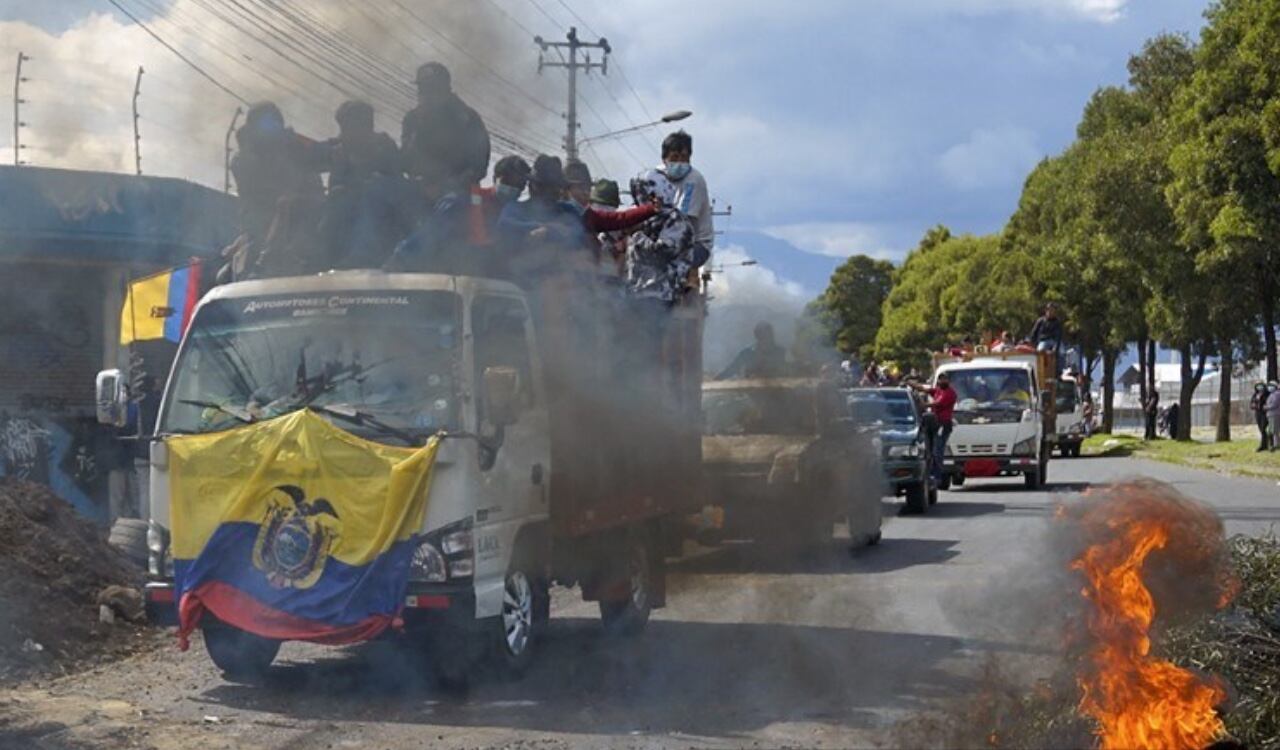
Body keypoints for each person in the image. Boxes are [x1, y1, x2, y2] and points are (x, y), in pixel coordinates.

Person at [228, 101, 328, 279]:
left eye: (274, 124)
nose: (270, 131)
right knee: (227, 275)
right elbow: (254, 199)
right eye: (264, 125)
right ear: (252, 130)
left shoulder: (296, 149)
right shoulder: (243, 160)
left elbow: (317, 180)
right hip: (261, 228)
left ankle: (269, 260)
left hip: (303, 220)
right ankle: (266, 260)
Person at [323, 100, 411, 269]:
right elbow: (335, 188)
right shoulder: (340, 153)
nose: (344, 134)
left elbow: (396, 185)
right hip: (348, 212)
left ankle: (363, 254)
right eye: (343, 128)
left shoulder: (384, 147)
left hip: (384, 218)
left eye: (349, 127)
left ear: (366, 126)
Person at [401, 62, 491, 205]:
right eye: (422, 89)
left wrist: (449, 185)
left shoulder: (466, 118)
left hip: (460, 194)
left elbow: (479, 164)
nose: (425, 94)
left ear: (445, 89)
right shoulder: (413, 118)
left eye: (431, 88)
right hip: (420, 191)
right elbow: (406, 159)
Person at [657, 130, 713, 267]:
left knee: (664, 263)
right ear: (664, 159)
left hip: (695, 245)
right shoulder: (656, 176)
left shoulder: (694, 180)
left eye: (684, 158)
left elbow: (683, 222)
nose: (680, 162)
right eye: (674, 157)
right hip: (664, 237)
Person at [908, 372, 957, 484]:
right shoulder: (939, 390)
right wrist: (913, 385)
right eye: (941, 379)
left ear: (948, 381)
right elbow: (925, 389)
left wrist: (923, 404)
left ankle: (937, 476)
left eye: (945, 379)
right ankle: (931, 473)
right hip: (935, 423)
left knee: (937, 450)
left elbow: (936, 404)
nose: (943, 381)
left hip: (944, 424)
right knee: (929, 450)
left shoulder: (950, 393)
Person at [717, 322, 788, 380]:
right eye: (763, 335)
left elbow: (789, 371)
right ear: (757, 336)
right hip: (751, 391)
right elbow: (732, 369)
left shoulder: (781, 352)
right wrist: (715, 381)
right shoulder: (747, 353)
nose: (767, 338)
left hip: (778, 391)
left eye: (769, 334)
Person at [1250, 382, 1270, 451]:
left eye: (1261, 385)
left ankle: (1264, 445)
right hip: (1257, 413)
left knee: (1263, 428)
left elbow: (1267, 402)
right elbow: (1251, 403)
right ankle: (1264, 445)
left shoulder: (1267, 394)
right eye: (1258, 386)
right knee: (1261, 429)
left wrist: (1265, 406)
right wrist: (1253, 405)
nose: (1259, 387)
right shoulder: (1255, 394)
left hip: (1264, 413)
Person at [1267, 383, 1280, 452]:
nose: (1269, 387)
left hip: (1275, 414)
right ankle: (1275, 444)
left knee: (1275, 430)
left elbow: (1274, 404)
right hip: (1271, 414)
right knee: (1271, 430)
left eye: (1271, 386)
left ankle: (1276, 445)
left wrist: (1266, 407)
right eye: (1269, 386)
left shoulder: (1277, 394)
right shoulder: (1271, 394)